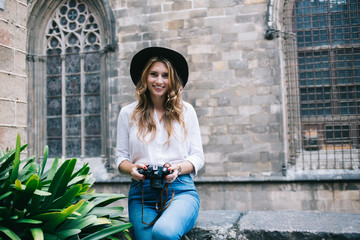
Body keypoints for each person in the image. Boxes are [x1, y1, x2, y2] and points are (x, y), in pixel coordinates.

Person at [115, 47, 205, 240]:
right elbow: (120, 158)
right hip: (142, 195)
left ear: (172, 80)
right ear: (144, 78)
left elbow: (197, 157)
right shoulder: (128, 114)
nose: (159, 81)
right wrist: (132, 169)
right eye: (153, 74)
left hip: (180, 191)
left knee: (164, 232)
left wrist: (177, 169)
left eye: (165, 75)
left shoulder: (186, 111)